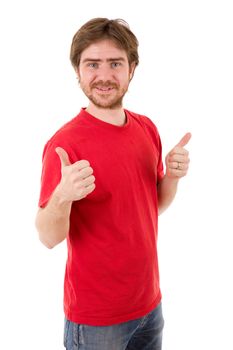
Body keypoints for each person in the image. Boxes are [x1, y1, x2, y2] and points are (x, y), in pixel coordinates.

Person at [35, 17, 191, 350]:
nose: (104, 76)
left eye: (115, 63)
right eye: (92, 64)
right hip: (97, 321)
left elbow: (153, 205)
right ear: (77, 71)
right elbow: (48, 237)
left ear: (131, 69)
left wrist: (173, 177)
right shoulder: (64, 145)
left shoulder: (146, 128)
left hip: (150, 304)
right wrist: (63, 195)